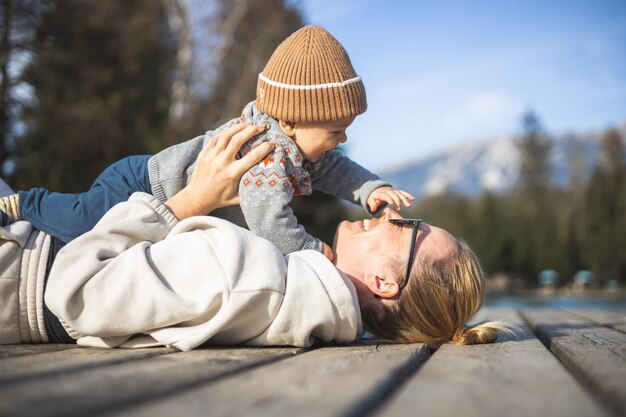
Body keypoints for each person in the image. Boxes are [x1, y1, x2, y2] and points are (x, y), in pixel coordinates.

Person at [0, 123, 506, 350]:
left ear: (385, 283)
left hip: (21, 264)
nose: (396, 216)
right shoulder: (298, 289)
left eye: (412, 229)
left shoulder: (260, 279)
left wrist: (191, 201)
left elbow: (74, 293)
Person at [0, 25, 414, 260]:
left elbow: (338, 169)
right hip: (141, 186)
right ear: (289, 121)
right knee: (81, 225)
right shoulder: (266, 154)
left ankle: (37, 231)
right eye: (335, 131)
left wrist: (370, 188)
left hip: (158, 194)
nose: (342, 140)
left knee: (91, 244)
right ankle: (27, 203)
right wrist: (312, 251)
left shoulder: (300, 145)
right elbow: (268, 219)